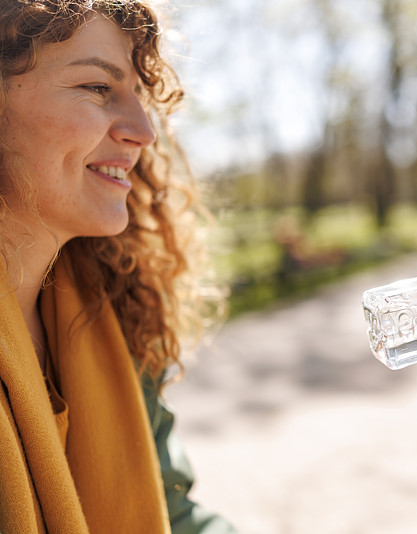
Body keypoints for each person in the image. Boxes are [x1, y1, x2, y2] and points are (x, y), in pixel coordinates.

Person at [0, 1, 237, 532]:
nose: (143, 132)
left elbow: (174, 514)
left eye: (138, 94)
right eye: (97, 88)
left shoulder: (115, 313)